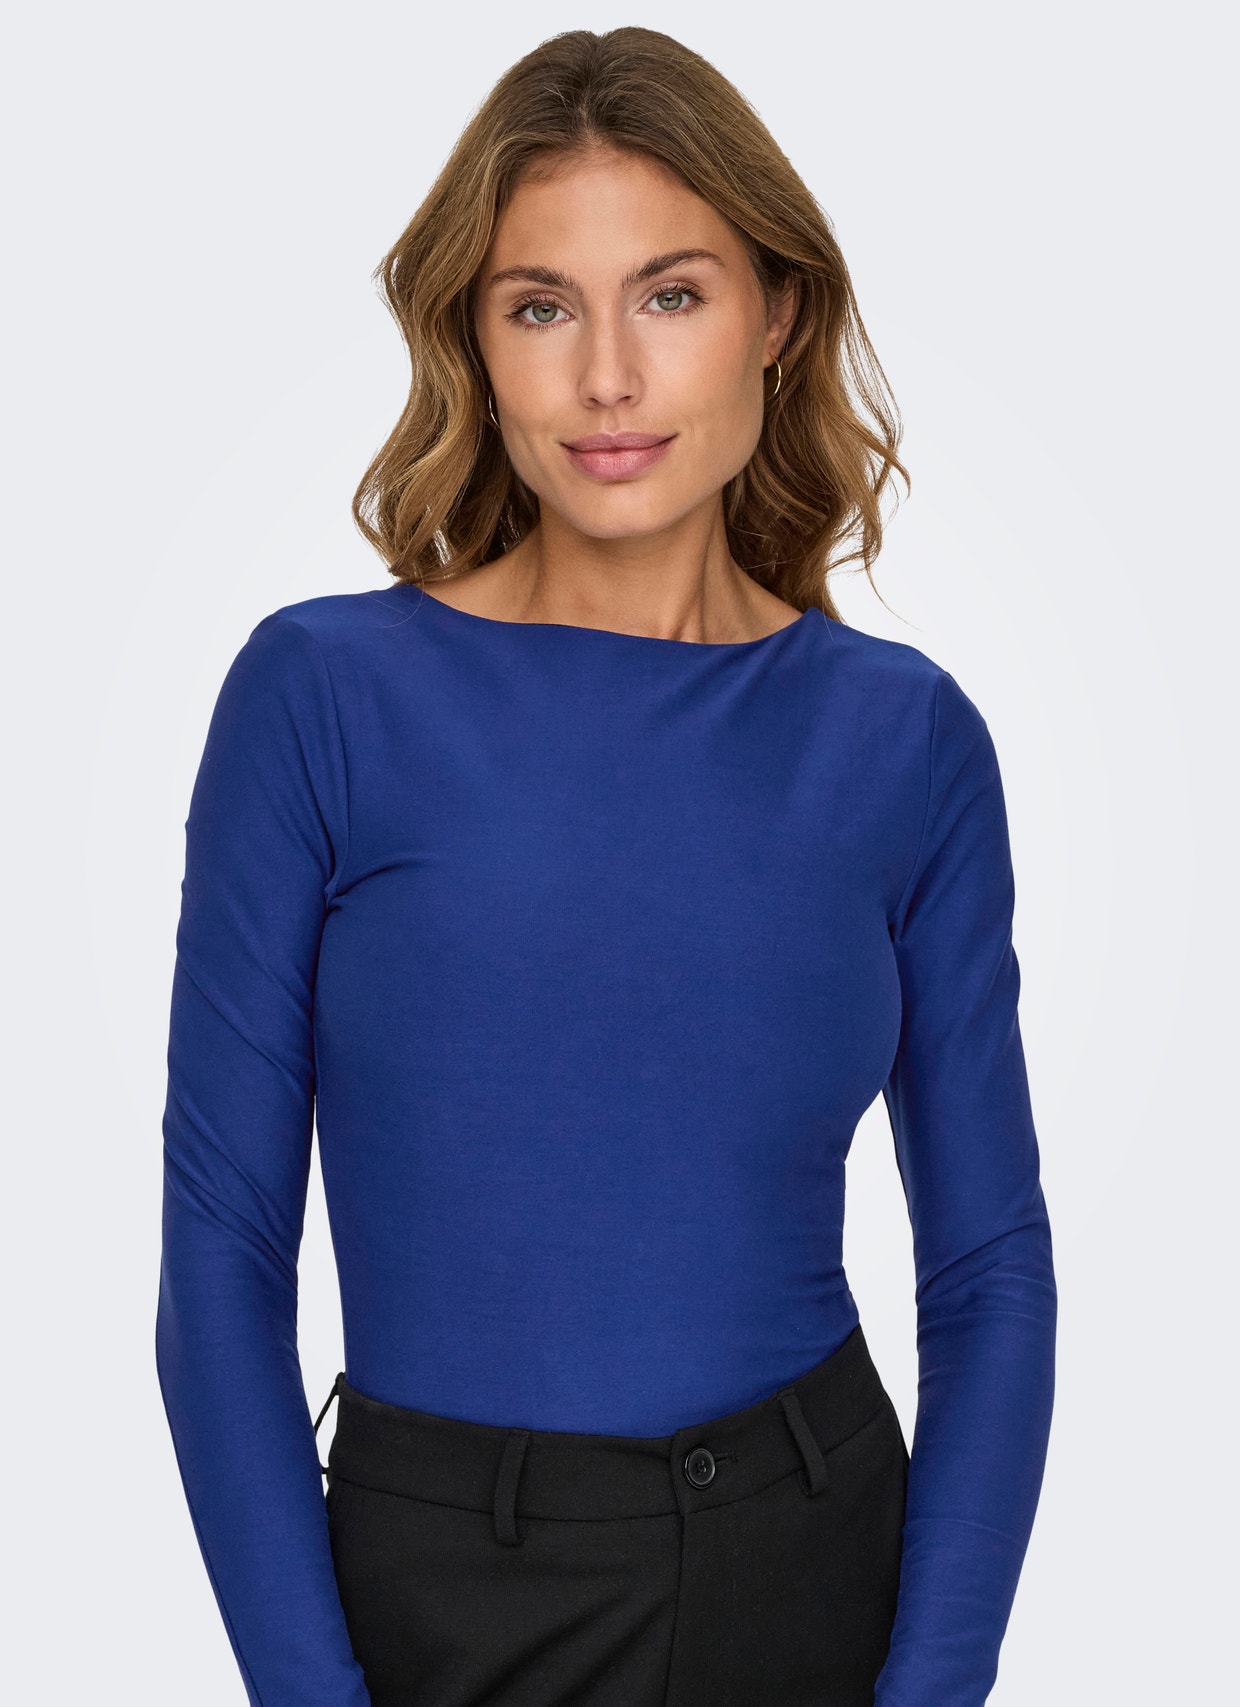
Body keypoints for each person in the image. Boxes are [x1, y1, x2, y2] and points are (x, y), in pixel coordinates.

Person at [155, 26, 1056, 1707]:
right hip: (442, 1595)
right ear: (475, 343)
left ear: (776, 315)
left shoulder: (905, 741)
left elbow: (991, 1267)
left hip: (812, 1559)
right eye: (541, 307)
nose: (610, 381)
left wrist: (932, 1687)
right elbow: (220, 1256)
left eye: (672, 295)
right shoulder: (324, 698)